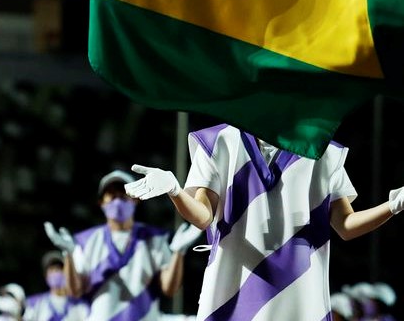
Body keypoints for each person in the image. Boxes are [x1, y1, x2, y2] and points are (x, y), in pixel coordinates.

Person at [126, 124, 404, 320]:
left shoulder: (321, 150)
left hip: (299, 294)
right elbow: (203, 216)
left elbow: (345, 225)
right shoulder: (221, 141)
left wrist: (392, 206)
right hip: (233, 288)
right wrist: (175, 191)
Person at [43, 170, 198, 321]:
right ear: (101, 202)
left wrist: (178, 253)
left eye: (123, 195)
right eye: (112, 195)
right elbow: (75, 291)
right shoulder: (86, 242)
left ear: (136, 199)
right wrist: (68, 255)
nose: (118, 201)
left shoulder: (154, 239)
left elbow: (169, 289)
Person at [22, 252, 89, 321]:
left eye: (58, 269)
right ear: (46, 276)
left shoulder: (79, 304)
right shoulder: (36, 303)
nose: (55, 272)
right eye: (51, 270)